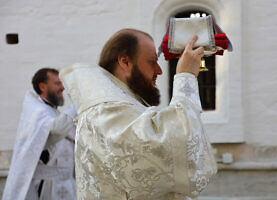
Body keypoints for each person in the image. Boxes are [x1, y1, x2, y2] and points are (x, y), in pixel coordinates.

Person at [60, 28, 217, 200]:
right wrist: (185, 77)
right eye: (152, 62)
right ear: (125, 62)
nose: (159, 70)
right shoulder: (105, 111)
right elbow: (170, 145)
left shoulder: (122, 104)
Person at [2, 68, 77, 200]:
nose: (62, 88)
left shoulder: (54, 112)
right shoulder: (38, 112)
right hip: (48, 187)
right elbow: (57, 129)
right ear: (43, 86)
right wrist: (77, 104)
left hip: (68, 184)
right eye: (57, 83)